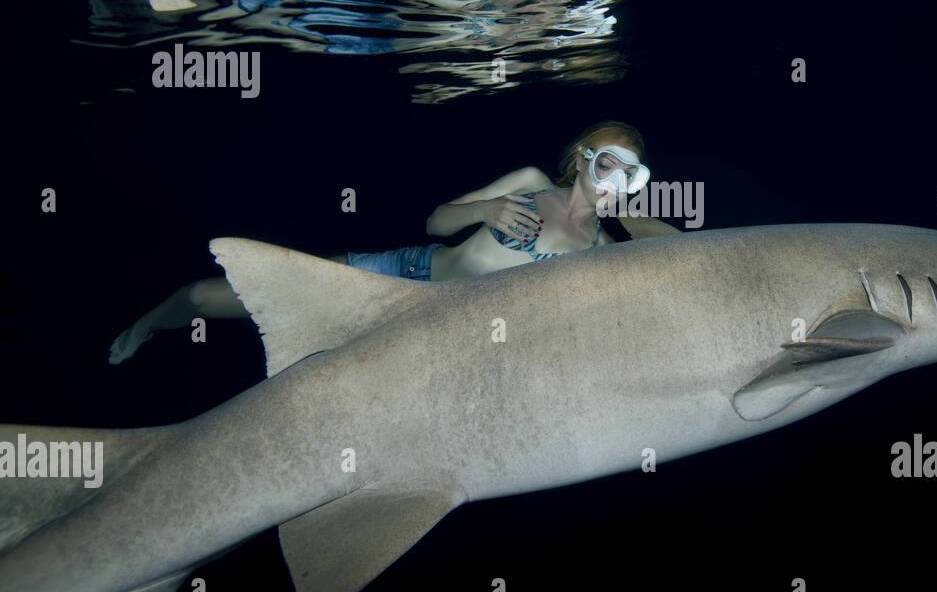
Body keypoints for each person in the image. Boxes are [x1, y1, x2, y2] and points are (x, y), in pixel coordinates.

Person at [109, 120, 678, 364]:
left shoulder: (603, 252)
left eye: (632, 173)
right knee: (212, 298)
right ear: (582, 159)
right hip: (404, 272)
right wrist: (484, 209)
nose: (616, 180)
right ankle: (149, 321)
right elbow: (435, 221)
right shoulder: (530, 184)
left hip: (442, 332)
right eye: (608, 163)